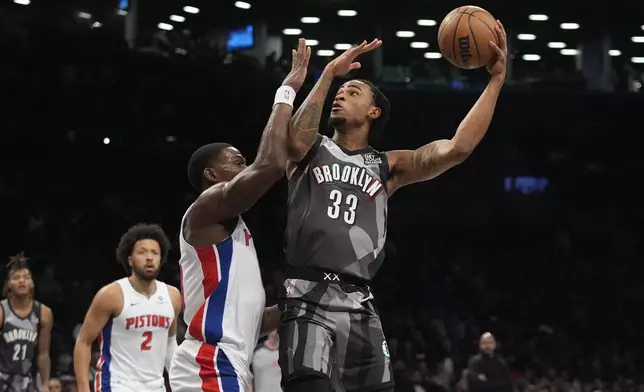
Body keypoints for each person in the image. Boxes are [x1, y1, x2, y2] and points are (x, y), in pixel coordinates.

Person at [279, 22, 508, 392]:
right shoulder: (312, 149)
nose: (340, 96)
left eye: (351, 92)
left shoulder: (388, 165)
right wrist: (328, 75)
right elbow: (291, 141)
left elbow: (457, 148)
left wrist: (496, 80)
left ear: (373, 113)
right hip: (307, 294)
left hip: (360, 300)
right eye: (339, 92)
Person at [169, 38, 311, 392]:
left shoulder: (236, 231)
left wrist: (296, 304)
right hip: (209, 360)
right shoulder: (204, 210)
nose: (245, 165)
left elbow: (251, 324)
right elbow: (272, 164)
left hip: (229, 363)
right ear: (211, 175)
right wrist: (286, 92)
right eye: (236, 162)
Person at [73, 224, 182, 392]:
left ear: (161, 258)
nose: (149, 257)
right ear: (130, 259)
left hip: (156, 386)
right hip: (117, 384)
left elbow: (169, 342)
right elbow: (83, 341)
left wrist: (179, 383)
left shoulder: (173, 296)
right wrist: (82, 388)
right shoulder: (111, 294)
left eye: (155, 253)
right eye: (142, 252)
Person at [0, 252, 53, 392]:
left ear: (32, 284)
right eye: (16, 278)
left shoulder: (44, 313)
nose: (21, 281)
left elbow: (43, 354)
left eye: (26, 277)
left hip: (26, 381)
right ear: (8, 285)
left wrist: (45, 384)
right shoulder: (1, 311)